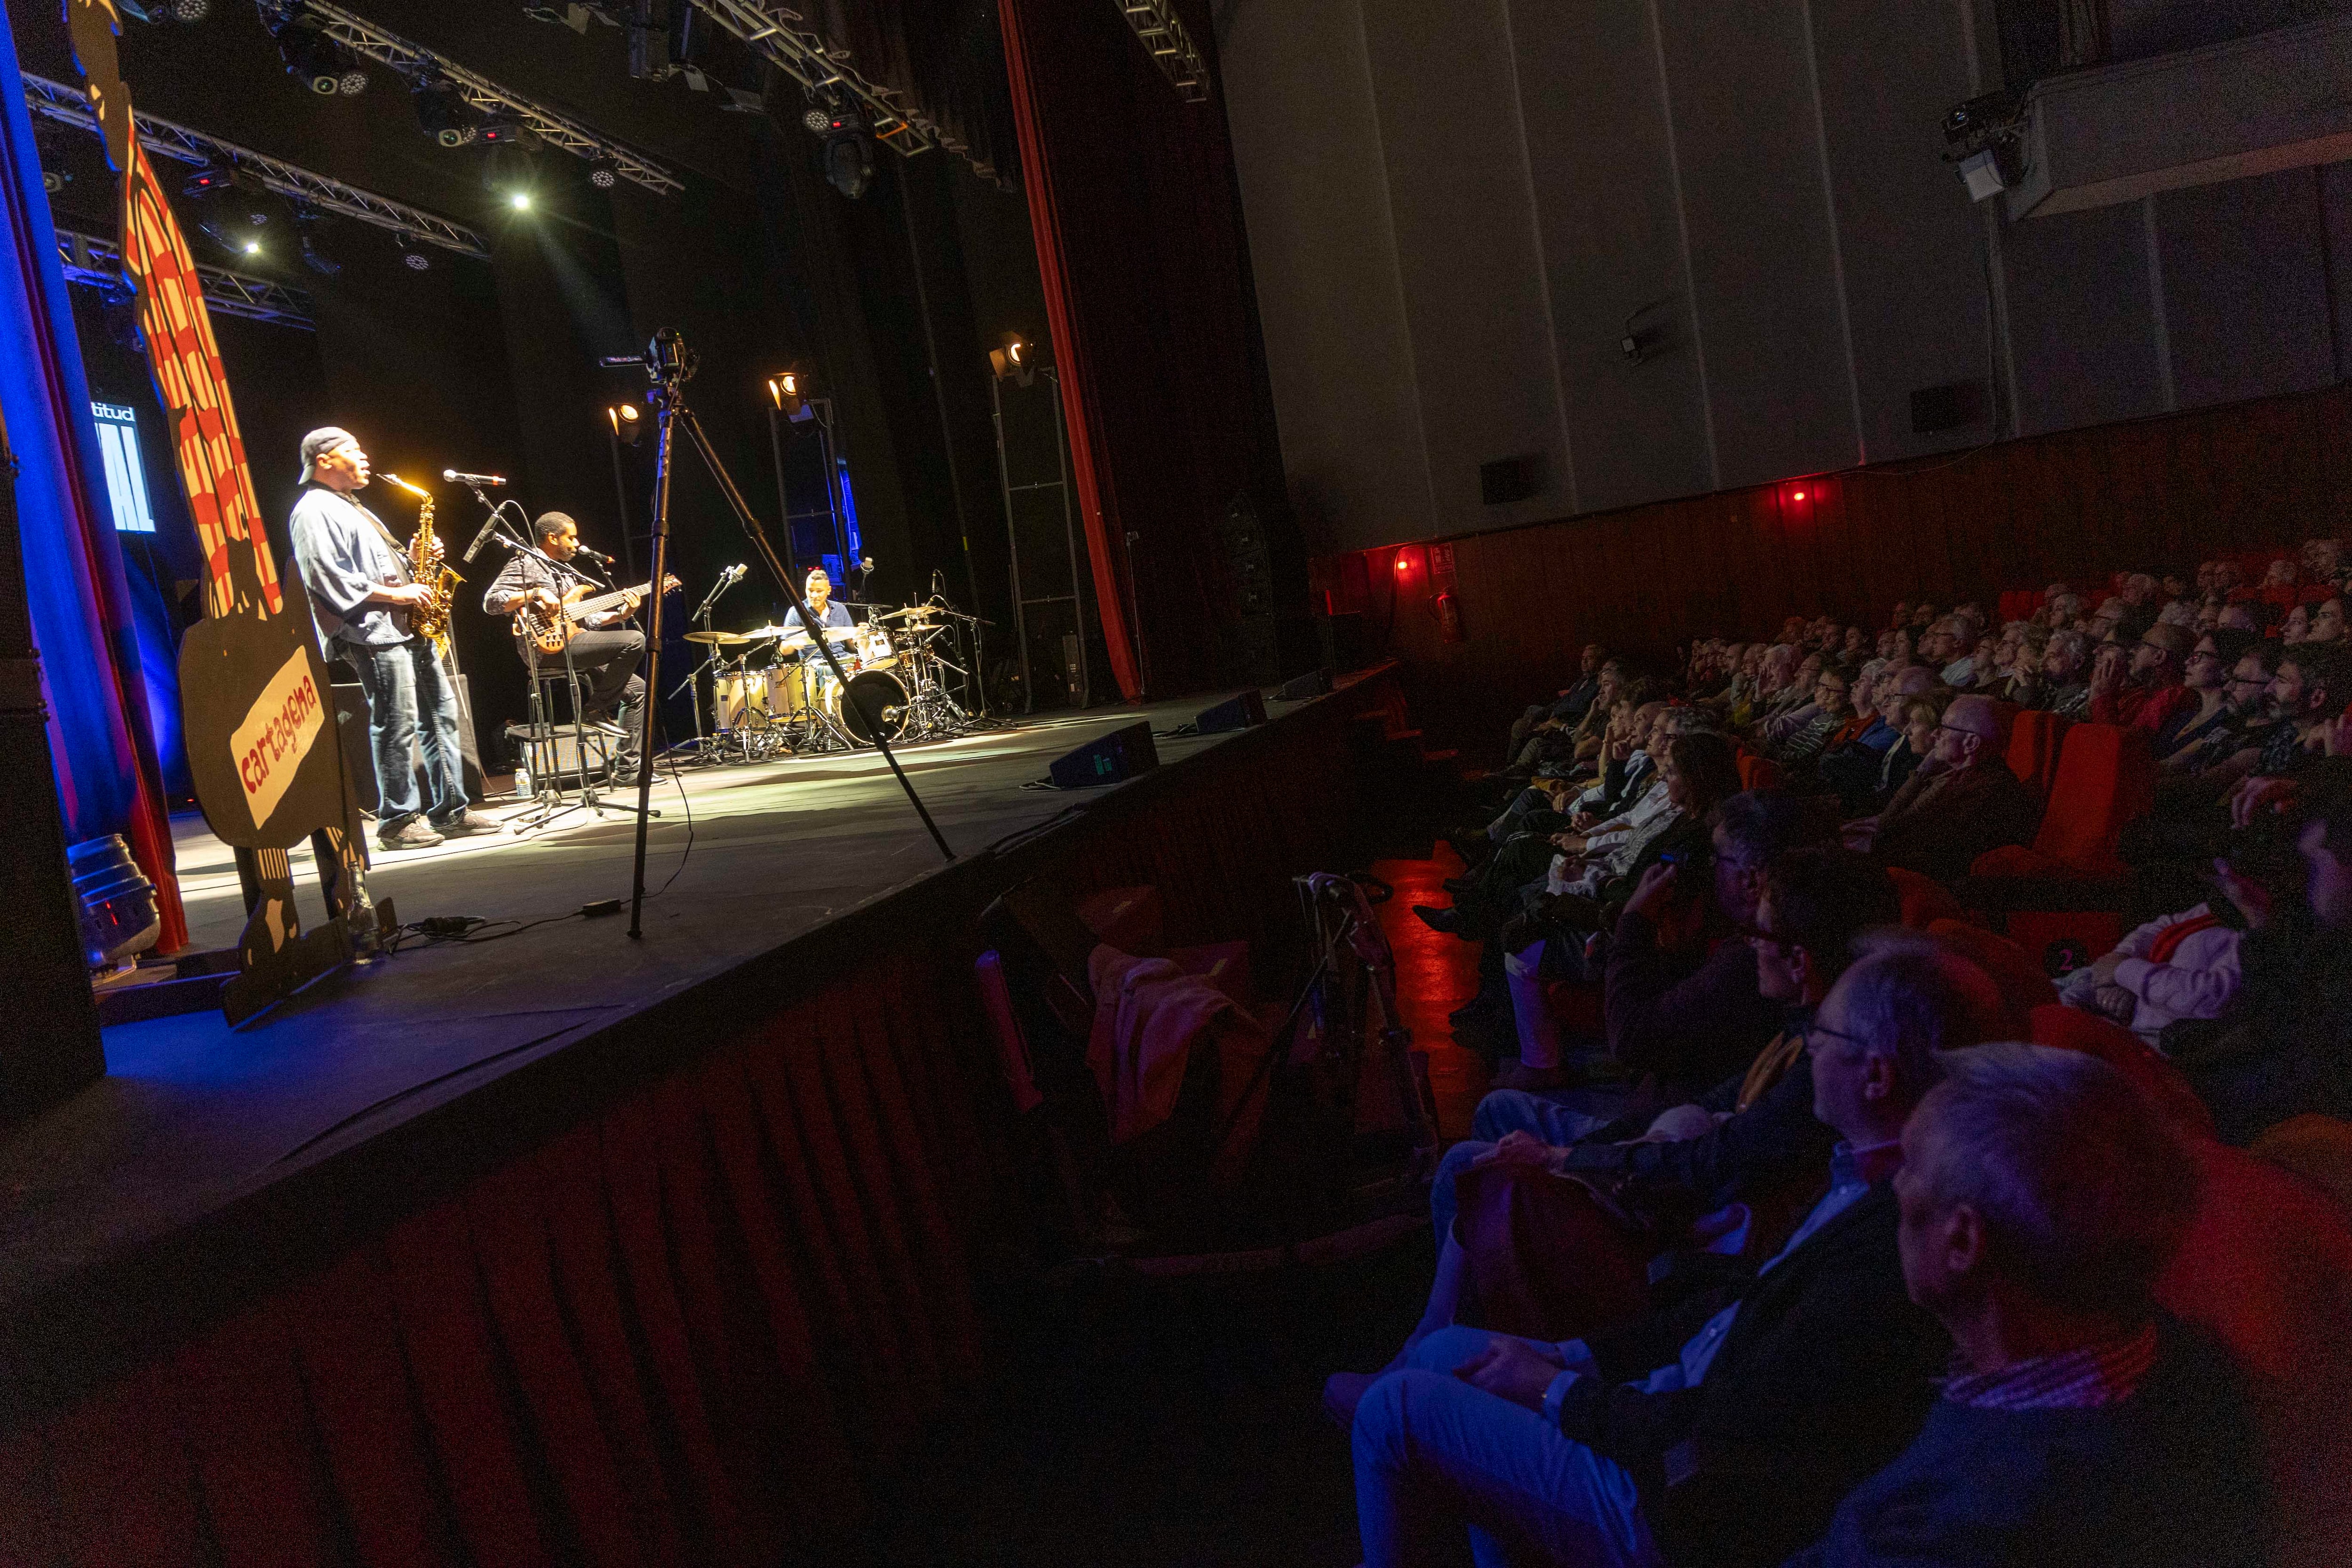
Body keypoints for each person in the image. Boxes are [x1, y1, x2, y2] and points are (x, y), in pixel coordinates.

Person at [1347, 951, 1966, 1568]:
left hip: (1679, 1498)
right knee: (1445, 1353)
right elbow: (1734, 1306)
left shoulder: (1890, 1236)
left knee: (1391, 1410)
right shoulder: (1852, 1179)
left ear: (1877, 1077)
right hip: (1661, 1419)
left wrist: (1557, 1390)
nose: (1809, 1052)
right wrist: (1567, 1355)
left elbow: (1733, 1429)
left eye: (1821, 1036)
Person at [1788, 1044, 2264, 1568]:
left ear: (1962, 1243)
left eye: (1910, 1166)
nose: (1894, 1185)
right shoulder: (2181, 1363)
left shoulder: (1959, 1531)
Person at [286, 427, 497, 850]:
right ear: (325, 459)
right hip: (373, 632)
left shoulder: (353, 507)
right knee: (396, 723)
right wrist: (398, 593)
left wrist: (416, 553)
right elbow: (326, 577)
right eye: (354, 451)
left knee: (441, 716)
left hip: (405, 626)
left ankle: (451, 809)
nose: (365, 457)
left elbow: (376, 564)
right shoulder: (313, 510)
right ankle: (397, 821)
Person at [482, 511, 649, 785]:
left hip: (574, 641)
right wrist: (535, 594)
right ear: (552, 537)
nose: (576, 542)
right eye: (571, 537)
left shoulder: (567, 573)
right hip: (546, 650)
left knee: (639, 689)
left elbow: (586, 620)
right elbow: (491, 602)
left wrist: (621, 614)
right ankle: (595, 710)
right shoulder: (527, 563)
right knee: (634, 641)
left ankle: (628, 771)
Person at [1849, 696, 2042, 884]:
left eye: (1944, 729)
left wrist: (1921, 772)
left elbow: (1890, 831)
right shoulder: (1959, 775)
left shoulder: (1987, 788)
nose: (1935, 735)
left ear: (1971, 743)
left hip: (1928, 885)